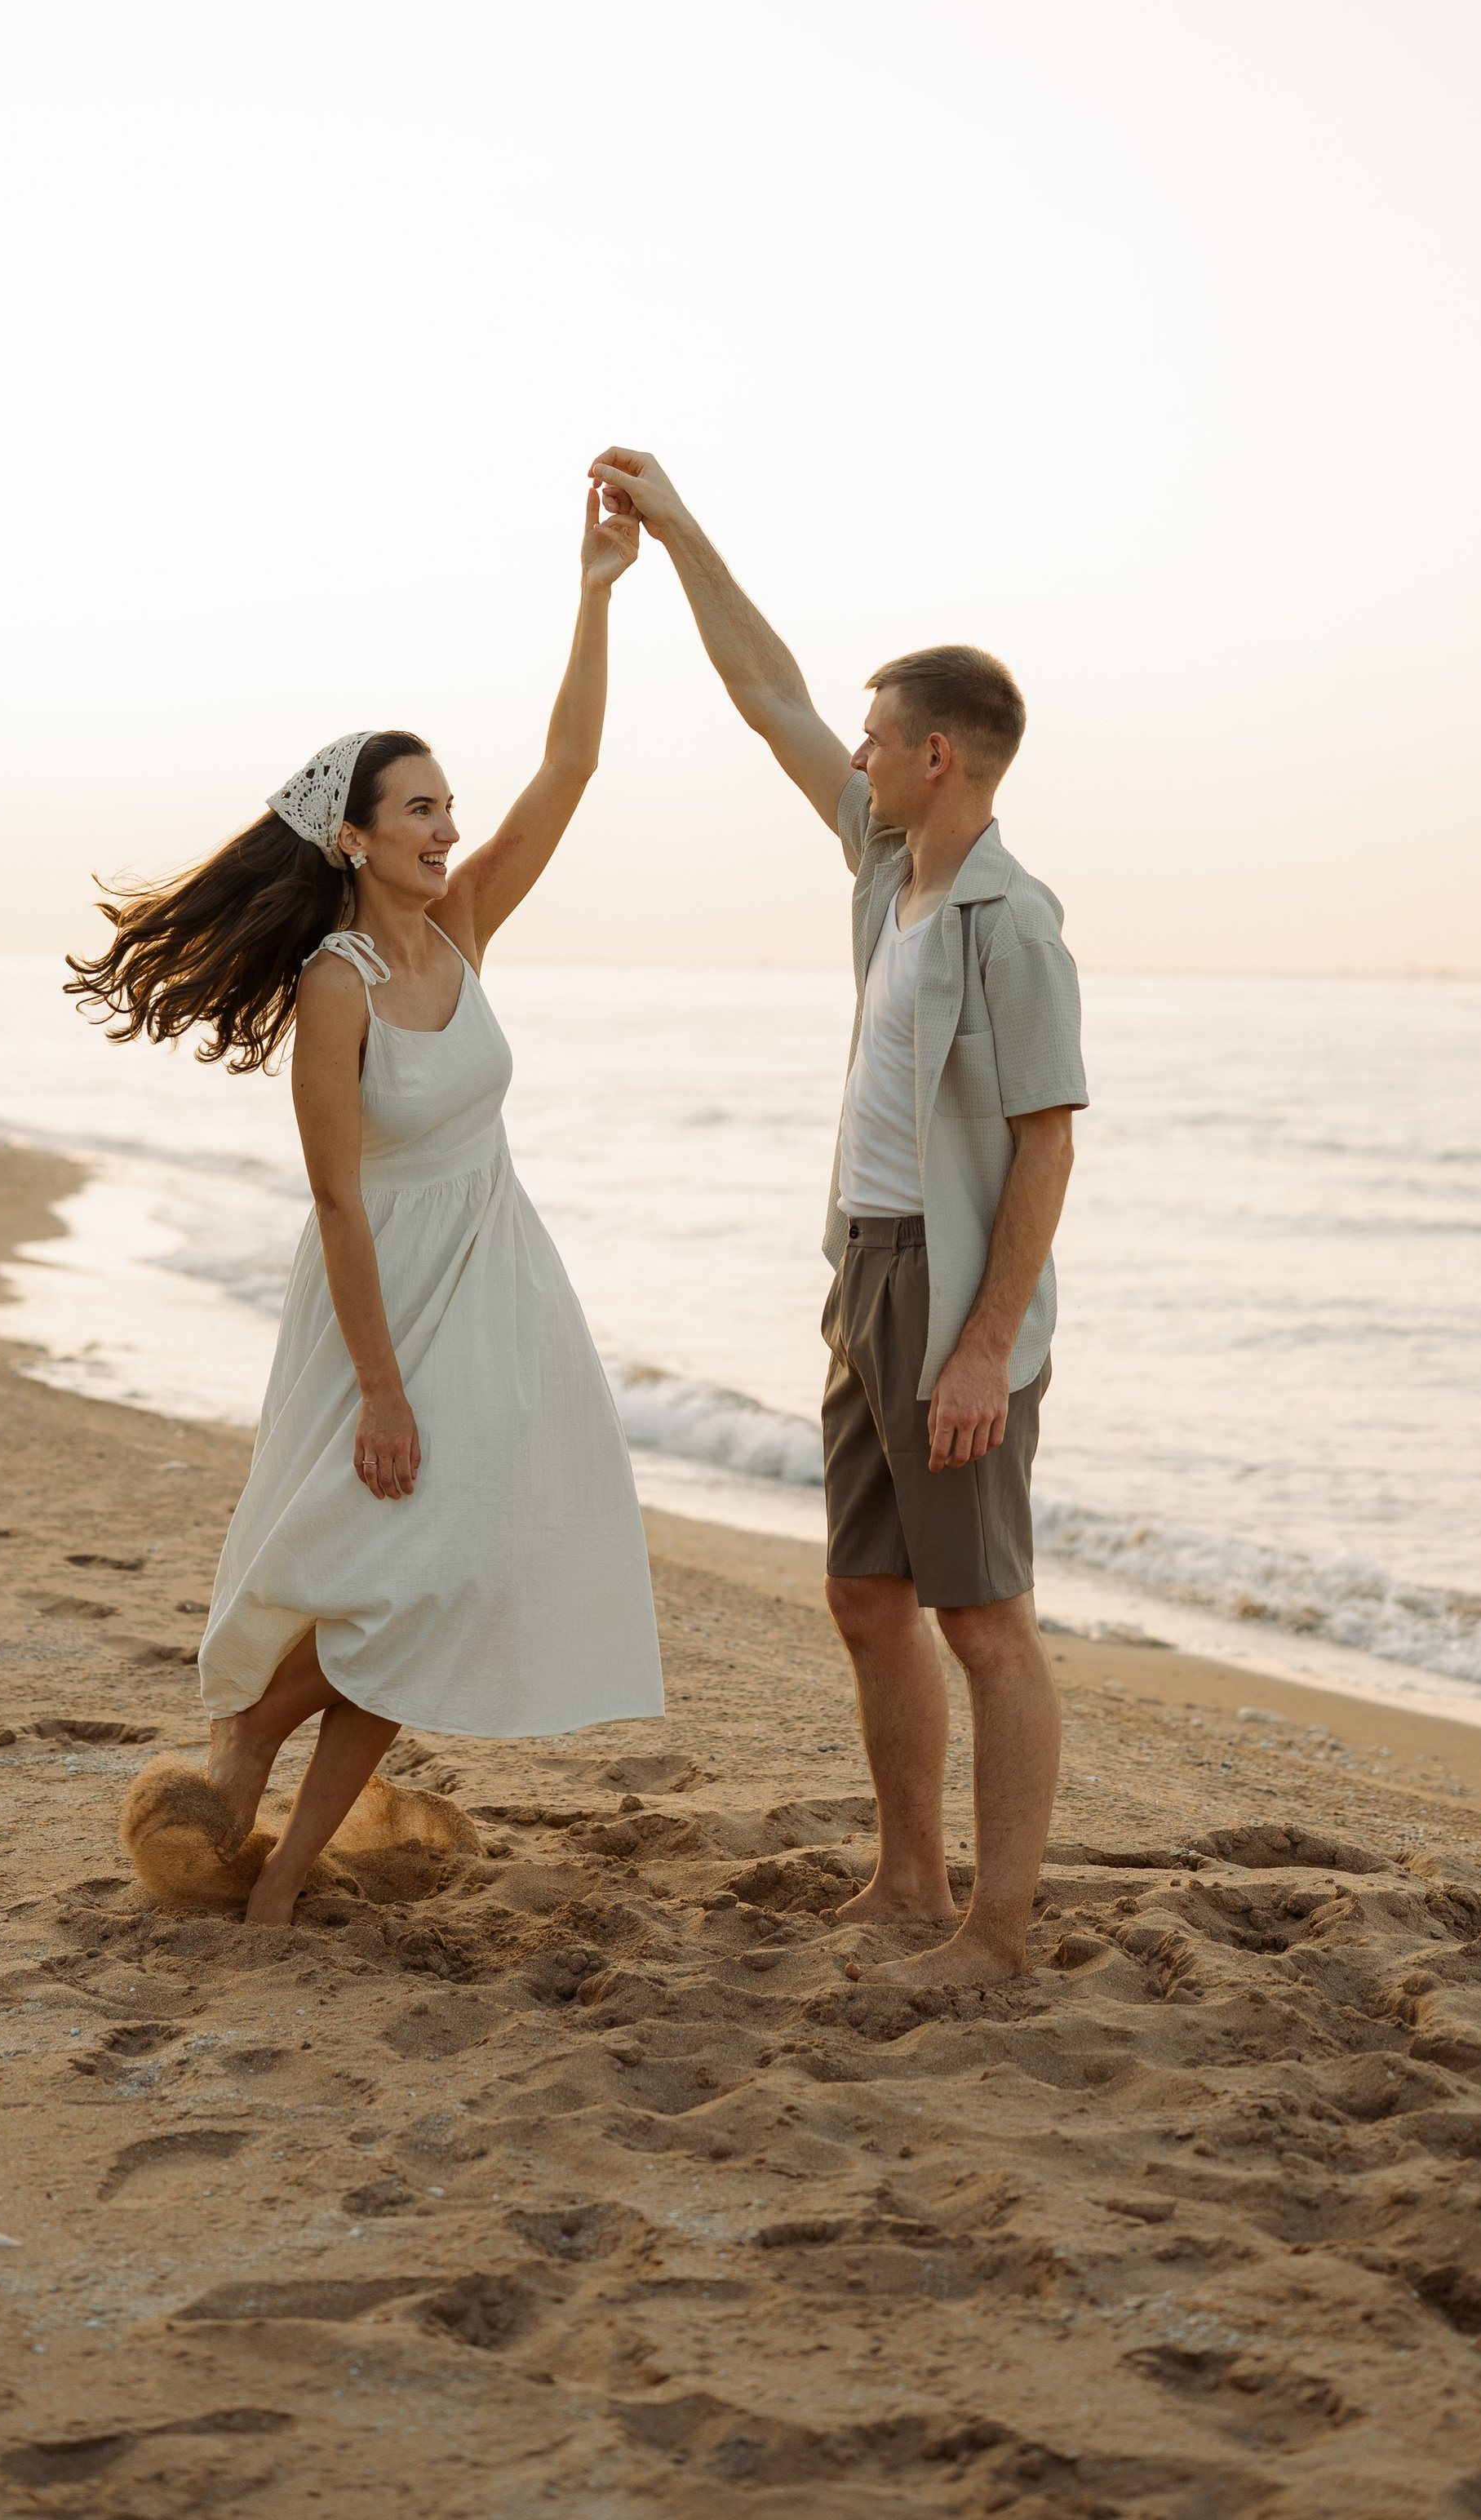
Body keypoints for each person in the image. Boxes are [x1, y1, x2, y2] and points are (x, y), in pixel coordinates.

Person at [65, 486, 663, 1927]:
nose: (449, 828)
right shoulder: (334, 989)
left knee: (459, 1568)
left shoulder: (460, 931)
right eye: (420, 810)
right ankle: (262, 1755)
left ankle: (276, 1867)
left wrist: (595, 591)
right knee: (398, 1565)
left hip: (500, 1280)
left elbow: (570, 769)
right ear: (352, 837)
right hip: (380, 1298)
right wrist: (382, 1393)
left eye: (449, 806)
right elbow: (336, 1202)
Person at [591, 448, 1085, 1985]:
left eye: (880, 741)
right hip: (864, 1264)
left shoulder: (1016, 926)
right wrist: (675, 535)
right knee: (867, 1593)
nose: (854, 756)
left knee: (983, 1617)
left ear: (942, 754)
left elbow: (1048, 1146)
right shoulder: (888, 876)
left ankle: (998, 1934)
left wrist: (987, 1344)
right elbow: (774, 698)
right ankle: (910, 1888)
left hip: (953, 1291)